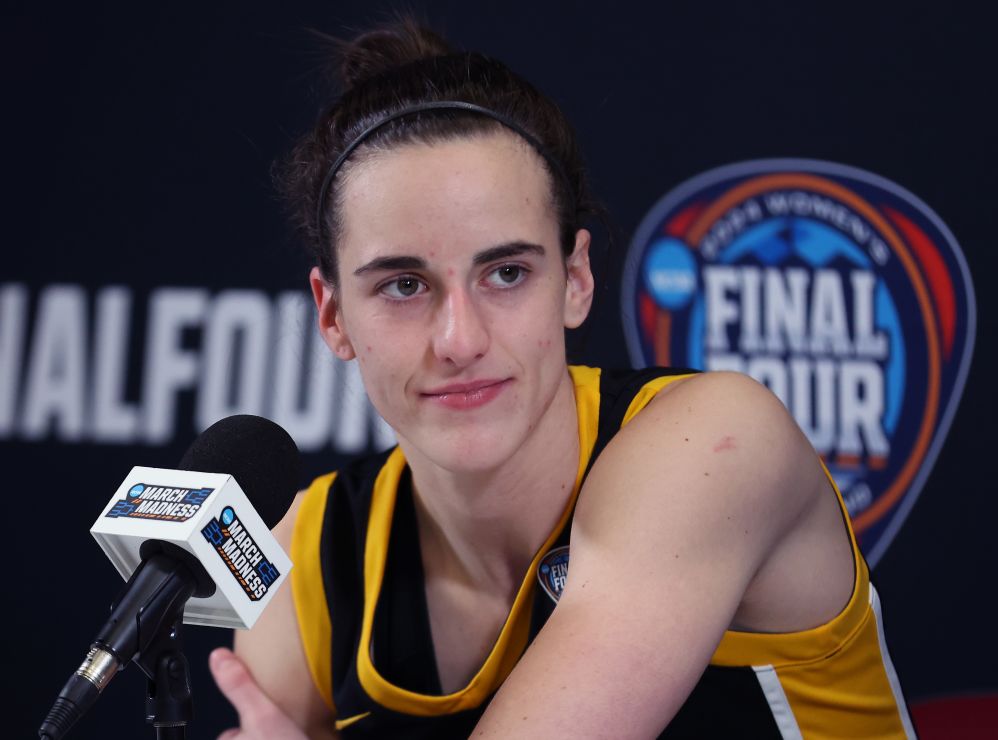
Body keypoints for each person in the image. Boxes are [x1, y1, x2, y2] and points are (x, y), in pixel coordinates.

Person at [210, 18, 915, 739]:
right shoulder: (303, 561)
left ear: (575, 280)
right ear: (333, 317)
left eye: (506, 273)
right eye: (402, 285)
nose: (460, 340)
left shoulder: (714, 446)